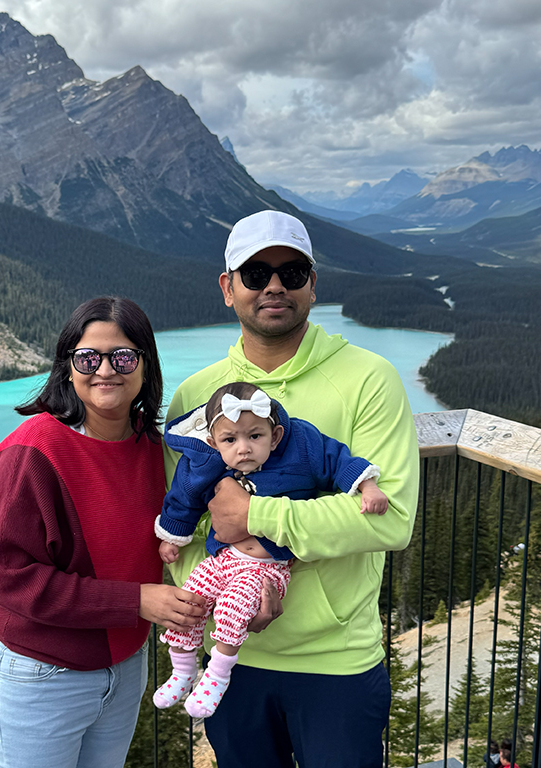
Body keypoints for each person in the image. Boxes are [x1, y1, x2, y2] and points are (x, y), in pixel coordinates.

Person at [164, 210, 420, 768]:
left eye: (292, 271)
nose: (274, 285)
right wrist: (208, 605)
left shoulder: (367, 378)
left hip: (335, 663)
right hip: (229, 656)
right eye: (255, 274)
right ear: (227, 288)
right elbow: (179, 521)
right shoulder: (196, 395)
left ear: (312, 284)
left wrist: (256, 515)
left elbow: (391, 518)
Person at [0, 296, 206, 768]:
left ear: (145, 366)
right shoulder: (33, 451)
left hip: (125, 669)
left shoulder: (152, 447)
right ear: (68, 367)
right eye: (88, 358)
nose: (105, 370)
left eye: (123, 357)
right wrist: (136, 602)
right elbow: (8, 577)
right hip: (42, 675)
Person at [152, 381, 388, 718]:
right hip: (223, 558)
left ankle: (217, 674)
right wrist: (173, 537)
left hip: (265, 569)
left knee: (232, 608)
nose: (243, 448)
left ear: (274, 436)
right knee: (190, 600)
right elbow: (183, 498)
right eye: (230, 440)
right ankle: (183, 668)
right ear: (212, 441)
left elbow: (337, 459)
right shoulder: (209, 464)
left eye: (255, 436)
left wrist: (368, 485)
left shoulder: (300, 450)